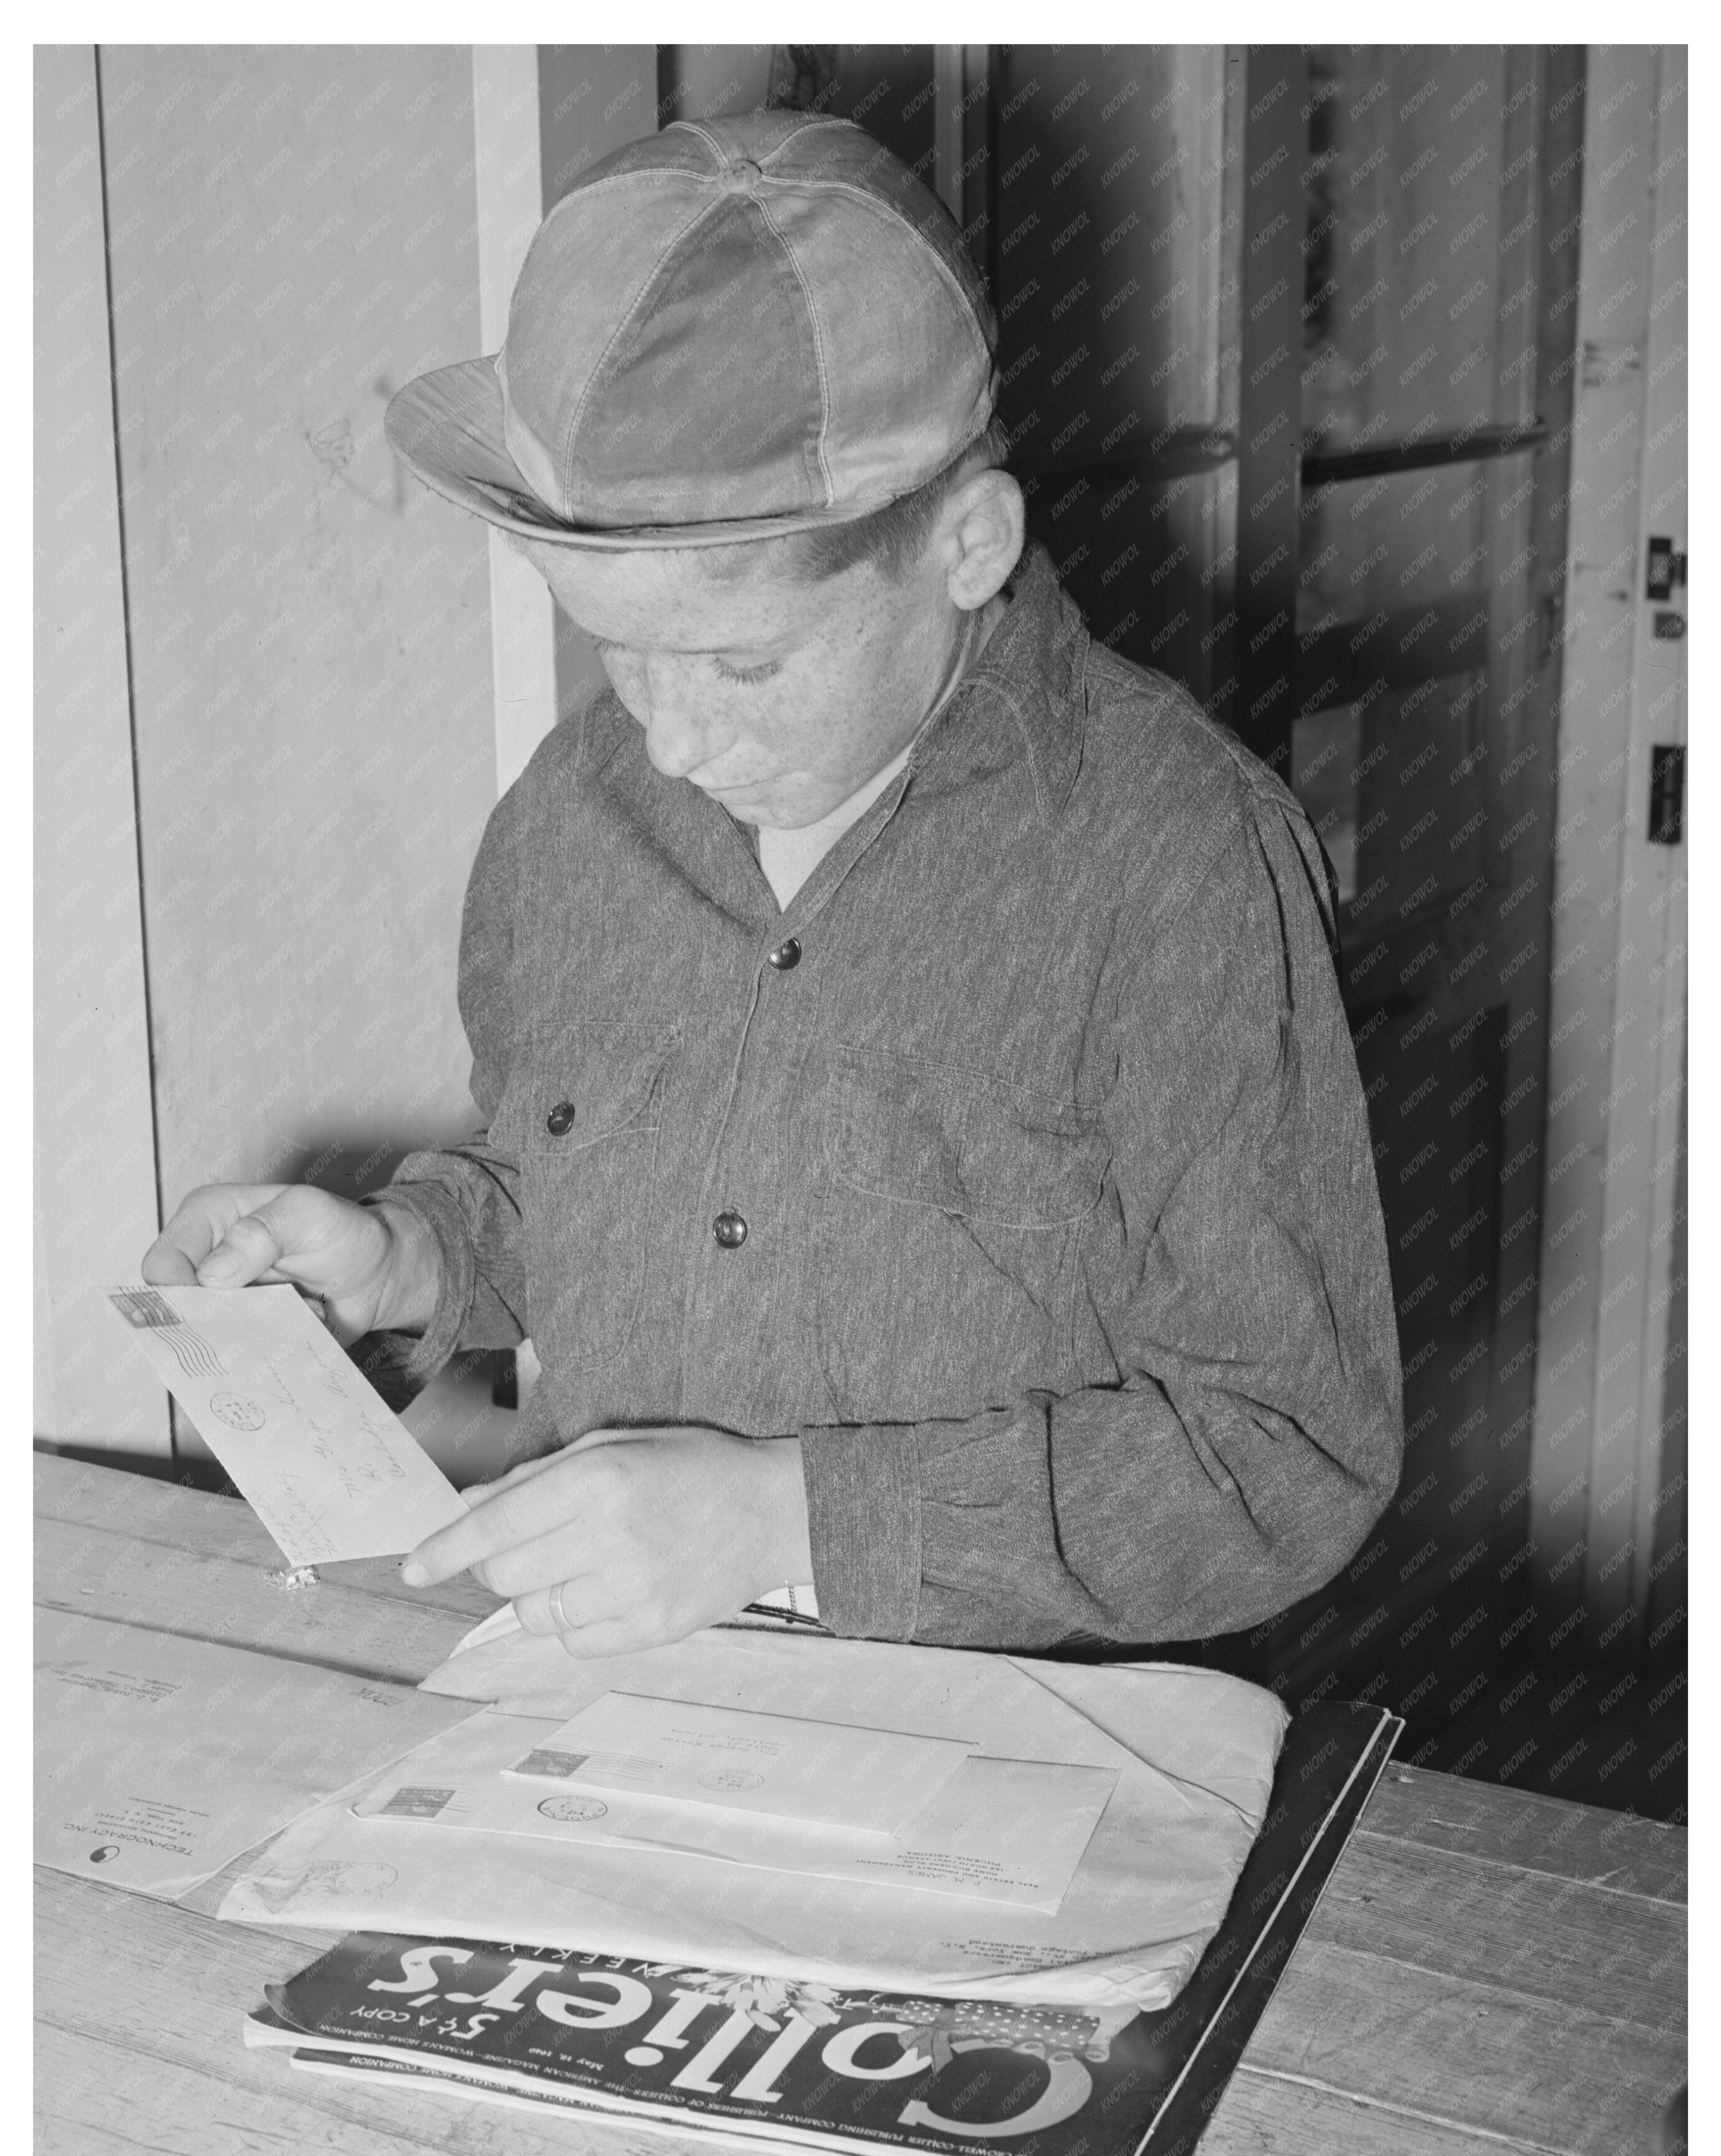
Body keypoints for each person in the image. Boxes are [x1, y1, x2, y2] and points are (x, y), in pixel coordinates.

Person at [144, 110, 1403, 1658]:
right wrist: (410, 1256)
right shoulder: (571, 814)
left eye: (744, 664)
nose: (666, 746)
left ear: (966, 546)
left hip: (1016, 1748)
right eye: (615, 647)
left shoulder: (1173, 853)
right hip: (630, 1711)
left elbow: (1285, 1447)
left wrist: (779, 1517)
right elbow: (589, 1188)